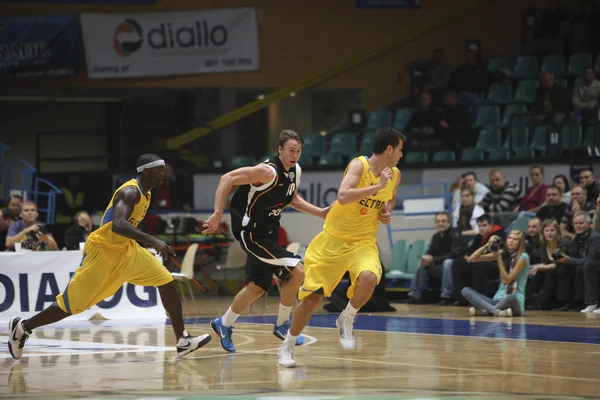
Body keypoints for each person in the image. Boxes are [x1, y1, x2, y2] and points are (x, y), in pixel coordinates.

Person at [8, 154, 211, 360]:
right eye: (160, 170)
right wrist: (153, 240)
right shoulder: (130, 191)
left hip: (126, 250)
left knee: (165, 280)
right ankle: (23, 327)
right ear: (148, 171)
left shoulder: (147, 193)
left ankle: (182, 340)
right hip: (103, 251)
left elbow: (125, 229)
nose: (163, 174)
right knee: (70, 306)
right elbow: (118, 224)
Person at [276, 127, 404, 368]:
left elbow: (390, 198)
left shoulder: (395, 174)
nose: (401, 155)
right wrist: (377, 187)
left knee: (369, 278)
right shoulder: (359, 166)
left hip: (363, 241)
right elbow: (343, 196)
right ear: (389, 149)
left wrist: (386, 212)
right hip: (333, 240)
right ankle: (287, 346)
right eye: (399, 150)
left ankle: (347, 317)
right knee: (312, 298)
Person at [202, 130, 329, 353]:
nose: (295, 155)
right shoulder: (266, 171)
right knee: (297, 271)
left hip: (268, 231)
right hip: (250, 231)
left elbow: (292, 198)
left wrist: (318, 212)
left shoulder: (295, 171)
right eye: (291, 150)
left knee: (257, 287)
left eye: (298, 151)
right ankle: (282, 325)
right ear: (279, 149)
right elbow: (227, 178)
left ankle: (224, 323)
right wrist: (217, 212)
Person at [462, 230, 529, 317]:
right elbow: (472, 259)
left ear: (520, 243)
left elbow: (507, 280)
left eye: (515, 239)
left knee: (510, 297)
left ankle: (487, 311)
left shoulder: (523, 257)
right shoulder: (501, 253)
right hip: (497, 301)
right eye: (510, 238)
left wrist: (498, 259)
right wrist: (487, 244)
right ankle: (496, 311)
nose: (511, 241)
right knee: (465, 291)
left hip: (514, 303)